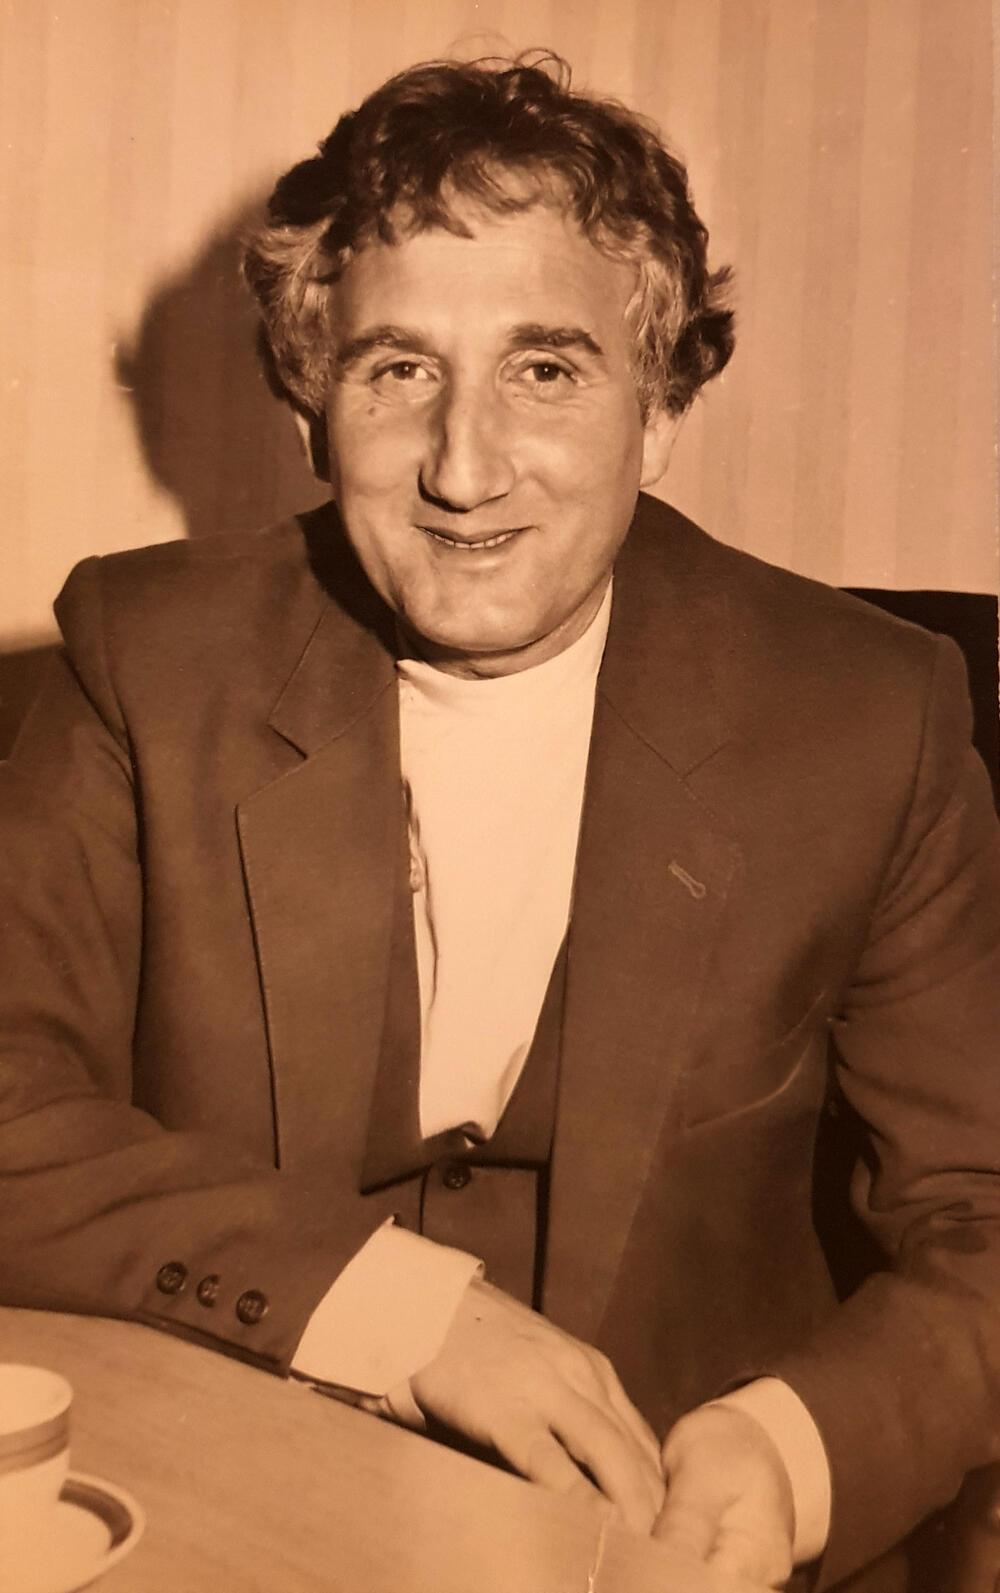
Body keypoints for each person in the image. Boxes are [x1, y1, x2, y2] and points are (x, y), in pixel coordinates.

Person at [1, 53, 998, 1593]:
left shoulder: (873, 714)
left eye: (546, 370)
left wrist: (798, 1451)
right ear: (311, 405)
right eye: (398, 369)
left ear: (658, 411)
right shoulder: (143, 660)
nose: (463, 471)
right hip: (236, 1517)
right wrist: (398, 1315)